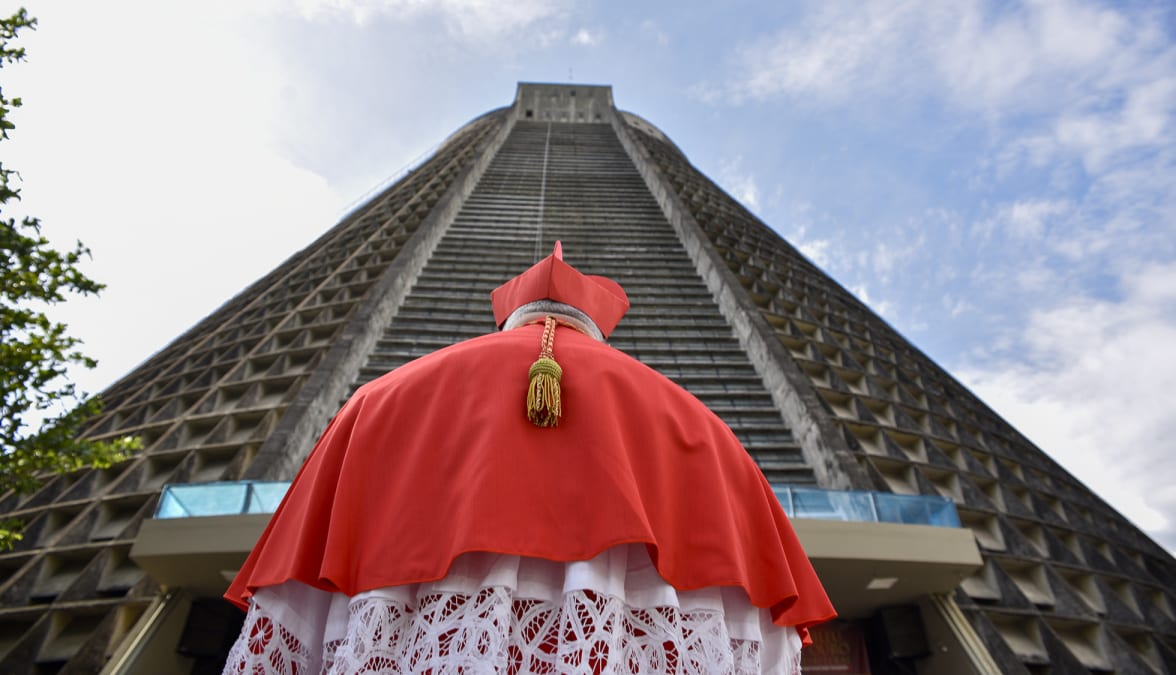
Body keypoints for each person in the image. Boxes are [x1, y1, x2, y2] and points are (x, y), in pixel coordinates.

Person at [222, 243, 835, 674]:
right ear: (596, 325)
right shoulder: (707, 432)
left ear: (510, 316)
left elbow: (296, 620)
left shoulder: (374, 405)